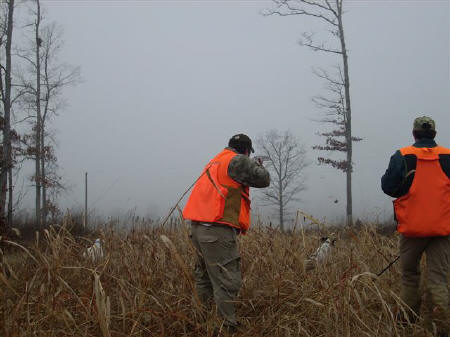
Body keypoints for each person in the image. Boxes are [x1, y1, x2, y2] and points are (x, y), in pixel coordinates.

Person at [183, 133, 270, 335]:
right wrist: (258, 165)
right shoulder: (238, 160)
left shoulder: (215, 161)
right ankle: (226, 328)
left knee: (204, 277)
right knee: (226, 280)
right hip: (216, 230)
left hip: (198, 228)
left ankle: (203, 322)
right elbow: (263, 179)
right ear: (247, 150)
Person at [381, 116, 450, 337]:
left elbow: (388, 187)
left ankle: (408, 321)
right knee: (439, 277)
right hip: (443, 230)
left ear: (414, 134)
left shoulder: (403, 155)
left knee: (410, 275)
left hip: (412, 229)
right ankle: (441, 325)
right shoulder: (448, 156)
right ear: (434, 135)